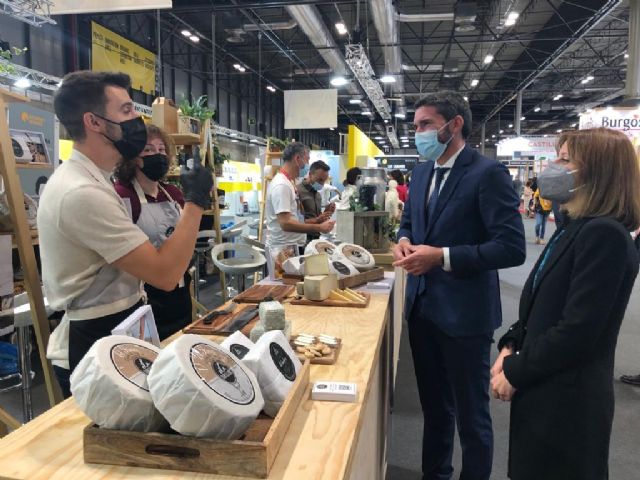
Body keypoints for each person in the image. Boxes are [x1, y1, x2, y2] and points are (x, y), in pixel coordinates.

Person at [38, 71, 213, 397]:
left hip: (122, 323)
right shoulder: (80, 191)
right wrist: (195, 203)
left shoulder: (94, 181)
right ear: (95, 122)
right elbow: (164, 273)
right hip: (95, 336)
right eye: (127, 110)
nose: (137, 119)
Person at [490, 127, 640, 480]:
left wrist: (516, 370)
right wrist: (511, 344)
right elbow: (540, 298)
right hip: (544, 383)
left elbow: (579, 329)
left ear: (598, 172)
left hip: (568, 398)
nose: (553, 165)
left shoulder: (605, 235)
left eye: (565, 159)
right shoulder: (574, 226)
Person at [392, 91, 526, 480]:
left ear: (454, 126)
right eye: (415, 126)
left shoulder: (487, 174)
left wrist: (443, 257)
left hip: (465, 314)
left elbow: (511, 247)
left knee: (472, 417)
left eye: (425, 125)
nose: (417, 133)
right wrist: (404, 239)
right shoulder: (420, 173)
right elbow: (410, 224)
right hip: (422, 310)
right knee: (435, 411)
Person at [113, 124, 192, 341]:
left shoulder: (173, 193)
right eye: (147, 150)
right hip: (145, 295)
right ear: (131, 157)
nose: (156, 155)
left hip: (180, 290)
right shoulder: (122, 196)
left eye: (161, 150)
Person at [264, 142, 334, 253]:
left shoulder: (289, 183)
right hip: (282, 251)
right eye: (307, 160)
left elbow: (295, 218)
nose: (308, 164)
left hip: (291, 247)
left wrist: (317, 221)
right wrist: (319, 227)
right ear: (297, 159)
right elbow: (285, 223)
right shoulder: (282, 185)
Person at [296, 160, 335, 241]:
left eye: (324, 181)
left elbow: (317, 218)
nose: (322, 184)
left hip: (316, 238)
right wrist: (317, 220)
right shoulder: (297, 191)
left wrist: (325, 213)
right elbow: (294, 223)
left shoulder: (317, 195)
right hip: (301, 239)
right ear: (310, 174)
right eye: (319, 180)